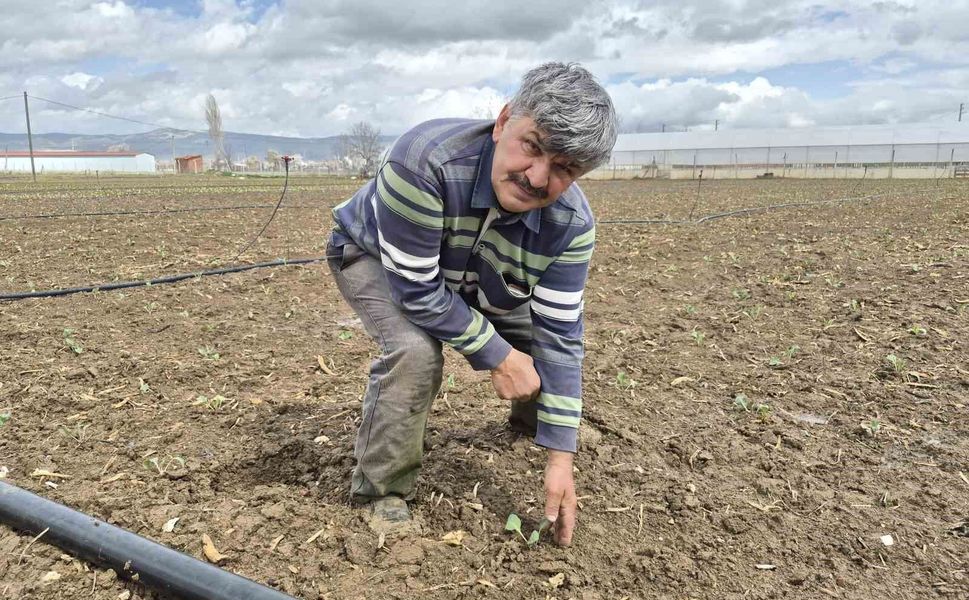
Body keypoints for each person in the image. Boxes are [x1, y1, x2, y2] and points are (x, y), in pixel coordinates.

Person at [326, 62, 617, 546]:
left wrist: (561, 455)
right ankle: (382, 490)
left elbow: (561, 335)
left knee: (534, 339)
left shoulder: (571, 226)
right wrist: (498, 355)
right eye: (533, 146)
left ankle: (534, 425)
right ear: (503, 122)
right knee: (415, 351)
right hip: (380, 258)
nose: (537, 177)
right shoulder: (423, 162)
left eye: (564, 168)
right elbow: (418, 290)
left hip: (473, 270)